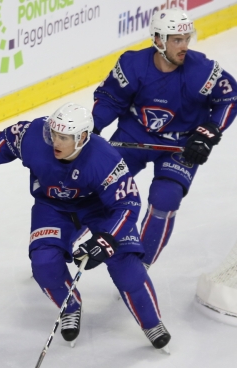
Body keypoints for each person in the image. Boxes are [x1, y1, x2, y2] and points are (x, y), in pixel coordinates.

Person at [0, 103, 170, 350]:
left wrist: (107, 239)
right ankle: (70, 306)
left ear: (83, 137)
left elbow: (127, 204)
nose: (56, 142)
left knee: (126, 265)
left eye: (64, 137)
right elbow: (9, 140)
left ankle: (151, 323)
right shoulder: (34, 135)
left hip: (99, 210)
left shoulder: (104, 159)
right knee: (43, 262)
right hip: (52, 207)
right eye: (54, 134)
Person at [92, 8, 237, 267]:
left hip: (181, 145)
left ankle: (140, 265)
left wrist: (208, 132)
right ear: (158, 40)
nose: (184, 46)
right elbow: (110, 99)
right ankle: (63, 245)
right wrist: (92, 126)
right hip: (134, 135)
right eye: (176, 40)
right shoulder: (132, 64)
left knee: (165, 199)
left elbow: (229, 99)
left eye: (186, 39)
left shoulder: (204, 70)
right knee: (98, 188)